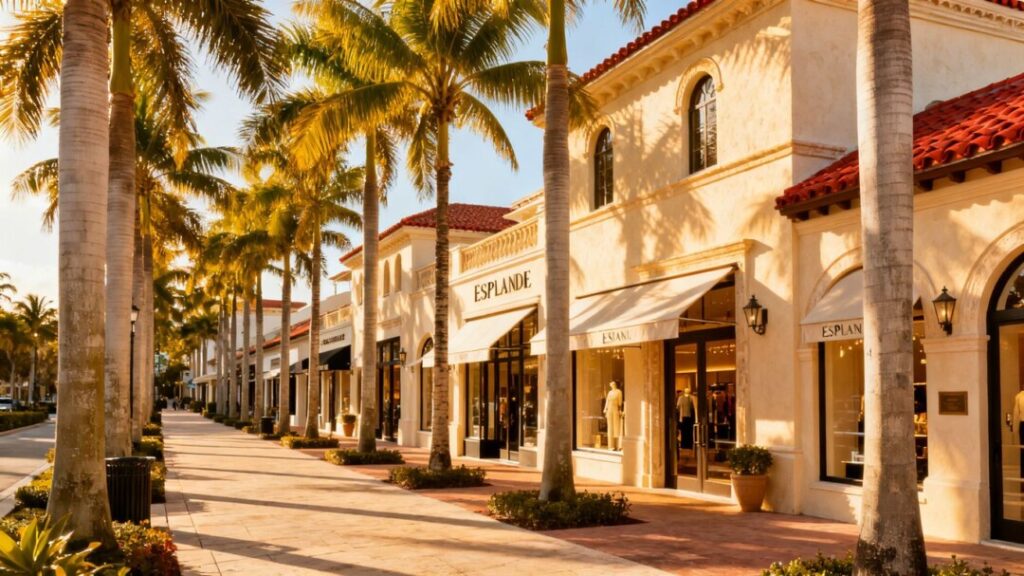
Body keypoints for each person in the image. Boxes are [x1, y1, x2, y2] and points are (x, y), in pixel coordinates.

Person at [604, 380, 624, 451]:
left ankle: (618, 445)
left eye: (613, 384)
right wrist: (605, 409)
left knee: (616, 427)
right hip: (609, 409)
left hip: (615, 409)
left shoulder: (619, 392)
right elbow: (607, 401)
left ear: (615, 384)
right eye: (611, 384)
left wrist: (620, 409)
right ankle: (610, 445)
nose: (612, 385)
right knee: (610, 427)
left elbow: (620, 402)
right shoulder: (609, 392)